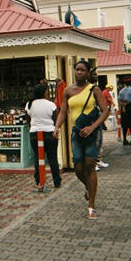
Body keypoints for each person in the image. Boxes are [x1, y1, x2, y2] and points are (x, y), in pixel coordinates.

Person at [54, 60, 108, 220]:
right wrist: (57, 126)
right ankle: (88, 188)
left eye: (82, 70)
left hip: (93, 133)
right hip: (77, 132)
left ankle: (91, 206)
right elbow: (63, 112)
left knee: (90, 165)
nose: (79, 72)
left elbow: (105, 111)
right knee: (78, 167)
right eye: (77, 69)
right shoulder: (68, 91)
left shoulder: (94, 89)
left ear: (88, 73)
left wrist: (92, 127)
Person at [25, 83, 62, 191]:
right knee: (52, 158)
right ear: (44, 92)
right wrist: (55, 128)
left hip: (34, 133)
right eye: (47, 91)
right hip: (50, 133)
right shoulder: (50, 105)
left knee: (37, 158)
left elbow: (28, 119)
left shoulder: (29, 104)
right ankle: (57, 182)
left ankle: (39, 181)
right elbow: (56, 118)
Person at [90, 69, 109, 171]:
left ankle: (98, 160)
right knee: (93, 142)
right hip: (91, 119)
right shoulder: (89, 89)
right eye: (94, 74)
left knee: (99, 140)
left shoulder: (96, 88)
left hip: (98, 117)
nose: (96, 76)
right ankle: (93, 163)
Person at [118, 78, 131, 146]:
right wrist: (127, 104)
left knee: (125, 124)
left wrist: (123, 105)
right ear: (130, 82)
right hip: (130, 107)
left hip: (123, 108)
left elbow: (119, 100)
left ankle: (124, 140)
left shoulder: (121, 91)